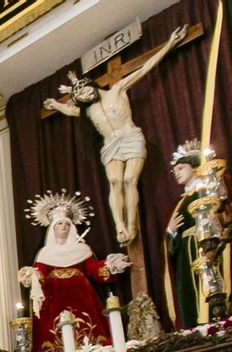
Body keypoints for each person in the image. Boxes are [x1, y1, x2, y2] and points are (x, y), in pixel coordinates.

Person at [42, 25, 189, 246]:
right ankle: (119, 225)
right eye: (80, 95)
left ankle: (132, 225)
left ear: (90, 85)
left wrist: (169, 44)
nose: (84, 95)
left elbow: (145, 68)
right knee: (114, 181)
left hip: (131, 138)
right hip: (111, 145)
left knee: (130, 180)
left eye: (84, 90)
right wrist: (55, 104)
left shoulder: (117, 90)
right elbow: (70, 110)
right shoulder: (89, 111)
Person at [19, 190, 131, 352]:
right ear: (52, 229)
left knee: (87, 330)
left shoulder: (82, 249)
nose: (63, 226)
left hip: (82, 297)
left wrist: (110, 265)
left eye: (66, 224)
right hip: (53, 299)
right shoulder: (45, 253)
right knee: (54, 332)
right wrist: (31, 275)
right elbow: (40, 274)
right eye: (59, 224)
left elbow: (93, 269)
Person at [164, 139, 206, 329]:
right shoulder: (180, 202)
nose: (176, 173)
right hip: (185, 255)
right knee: (189, 295)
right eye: (175, 171)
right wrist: (170, 232)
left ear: (194, 166)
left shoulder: (206, 190)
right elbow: (171, 246)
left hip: (203, 246)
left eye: (181, 168)